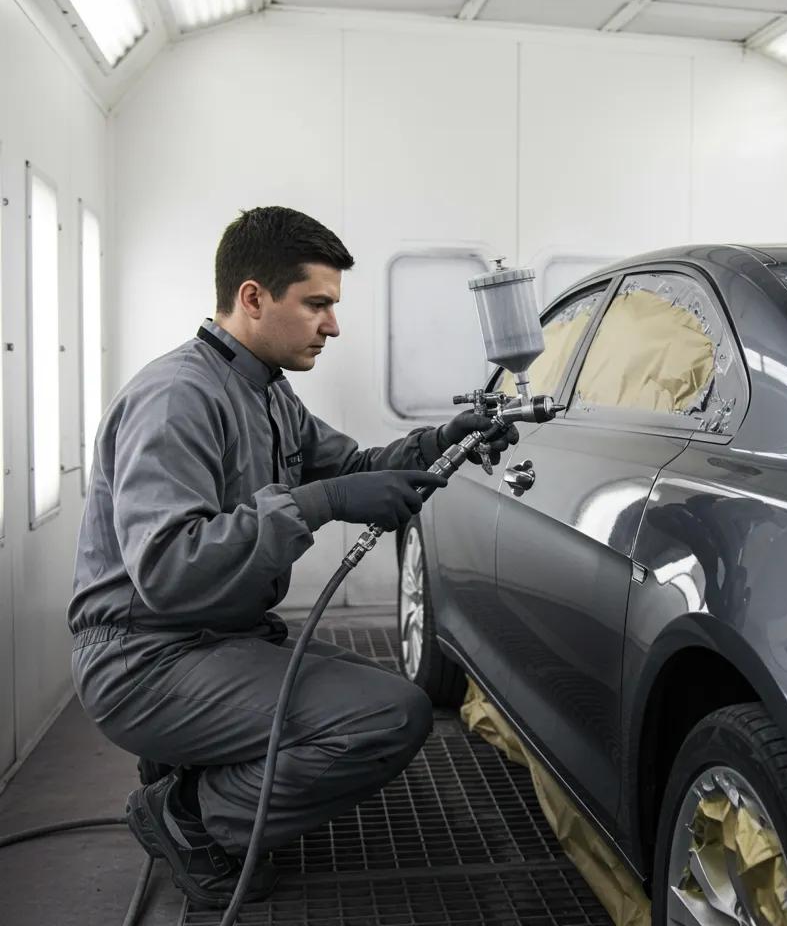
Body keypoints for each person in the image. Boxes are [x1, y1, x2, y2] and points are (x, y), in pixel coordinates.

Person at [67, 206, 517, 908]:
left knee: (365, 691)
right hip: (144, 657)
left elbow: (354, 466)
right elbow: (168, 568)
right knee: (388, 716)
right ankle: (188, 816)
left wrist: (441, 443)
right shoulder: (177, 397)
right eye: (316, 304)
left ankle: (191, 766)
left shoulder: (267, 392)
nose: (332, 326)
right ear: (253, 298)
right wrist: (322, 502)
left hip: (213, 637)